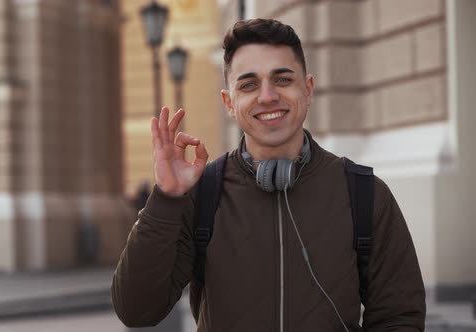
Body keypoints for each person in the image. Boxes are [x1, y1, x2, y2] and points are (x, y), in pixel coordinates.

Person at [111, 18, 425, 331]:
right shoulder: (200, 196)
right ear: (229, 103)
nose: (267, 96)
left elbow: (399, 317)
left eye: (283, 80)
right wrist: (166, 199)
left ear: (308, 88)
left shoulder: (364, 193)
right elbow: (136, 311)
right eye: (248, 85)